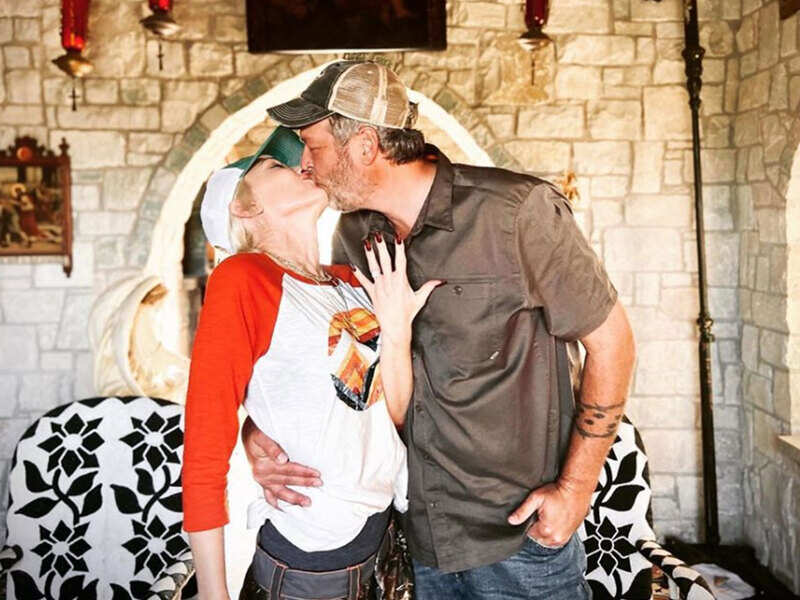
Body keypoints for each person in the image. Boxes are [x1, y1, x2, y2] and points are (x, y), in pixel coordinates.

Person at [243, 60, 637, 599]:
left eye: (313, 147)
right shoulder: (355, 235)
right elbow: (343, 374)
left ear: (364, 145)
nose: (306, 166)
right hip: (419, 536)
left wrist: (575, 489)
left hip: (518, 540)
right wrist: (260, 433)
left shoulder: (517, 212)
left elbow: (613, 344)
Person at [182, 127, 440, 600]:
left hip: (384, 539)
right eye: (276, 166)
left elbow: (388, 407)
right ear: (243, 207)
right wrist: (212, 593)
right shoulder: (242, 279)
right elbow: (204, 448)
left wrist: (398, 330)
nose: (303, 165)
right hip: (311, 564)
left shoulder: (352, 280)